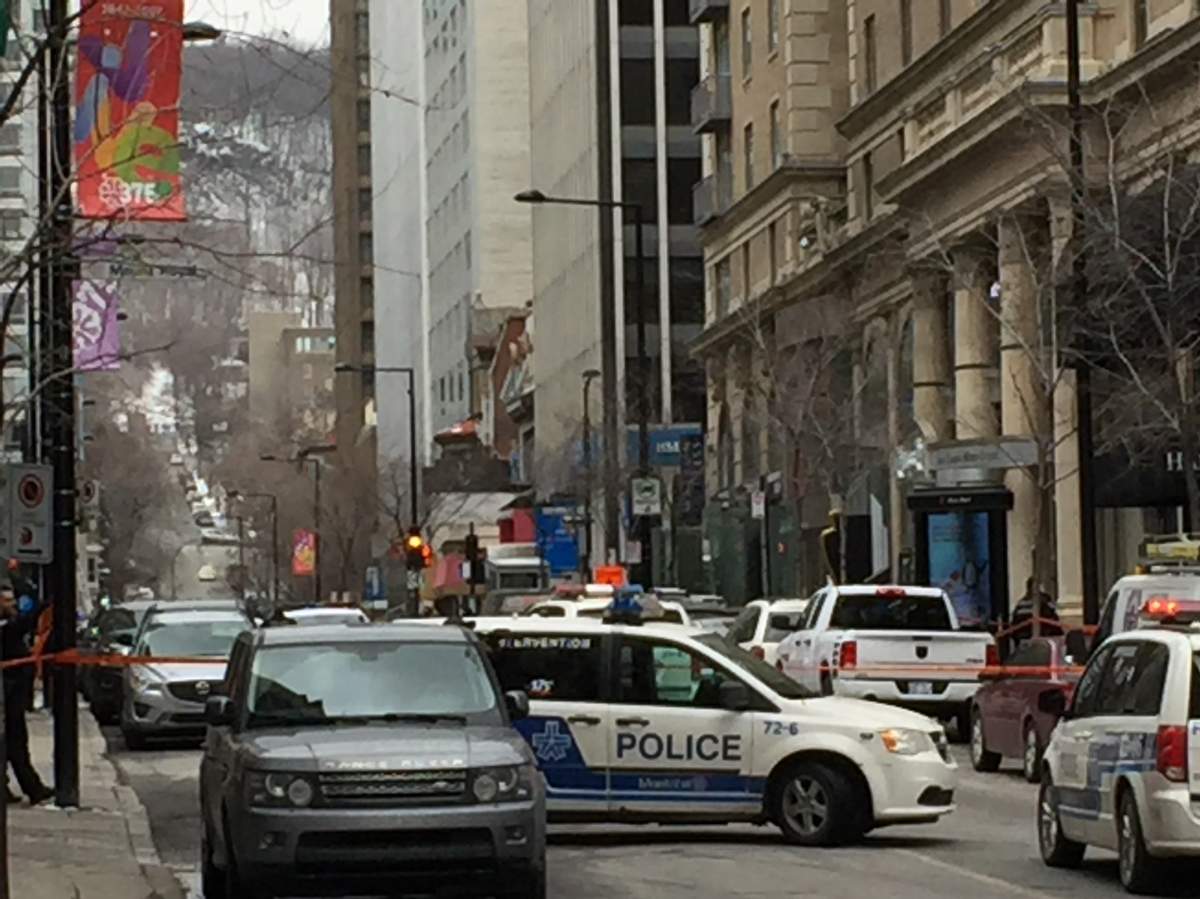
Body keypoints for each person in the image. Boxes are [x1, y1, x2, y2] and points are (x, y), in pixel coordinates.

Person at [1, 574, 52, 805]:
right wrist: (42, 602)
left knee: (12, 745)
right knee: (15, 743)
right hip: (7, 696)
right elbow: (25, 621)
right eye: (8, 602)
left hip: (13, 694)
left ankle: (21, 789)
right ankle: (34, 789)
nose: (13, 605)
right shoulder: (6, 628)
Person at [1010, 577, 1061, 642]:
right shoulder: (1044, 599)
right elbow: (1052, 615)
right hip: (1041, 636)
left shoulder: (1021, 602)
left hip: (1023, 637)